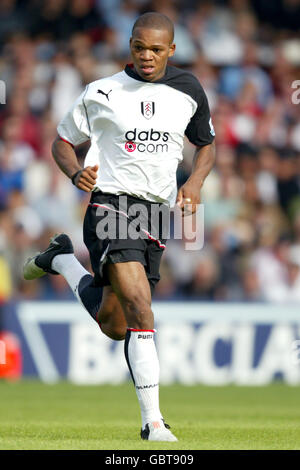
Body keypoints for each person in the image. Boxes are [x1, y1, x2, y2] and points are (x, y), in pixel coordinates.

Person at [23, 12, 215, 441]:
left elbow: (206, 145)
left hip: (156, 214)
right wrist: (75, 173)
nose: (146, 56)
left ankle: (62, 261)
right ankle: (154, 423)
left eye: (156, 49)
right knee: (142, 309)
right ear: (130, 45)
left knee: (115, 325)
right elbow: (62, 141)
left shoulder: (188, 90)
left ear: (172, 50)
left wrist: (196, 182)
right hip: (111, 206)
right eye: (139, 47)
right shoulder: (102, 91)